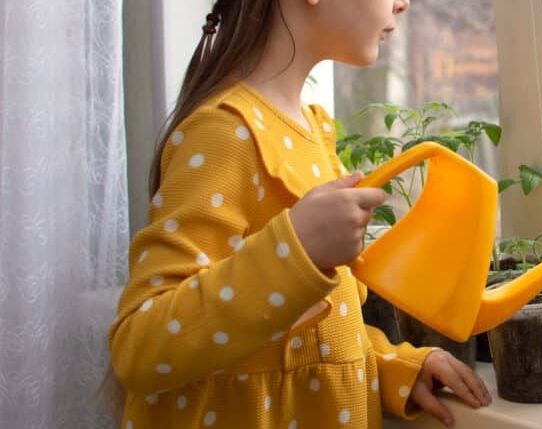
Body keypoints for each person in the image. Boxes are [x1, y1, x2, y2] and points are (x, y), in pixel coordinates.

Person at [106, 0, 491, 427]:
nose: (403, 3)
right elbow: (139, 349)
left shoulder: (313, 130)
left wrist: (391, 365)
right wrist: (295, 252)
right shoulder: (224, 133)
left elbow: (303, 337)